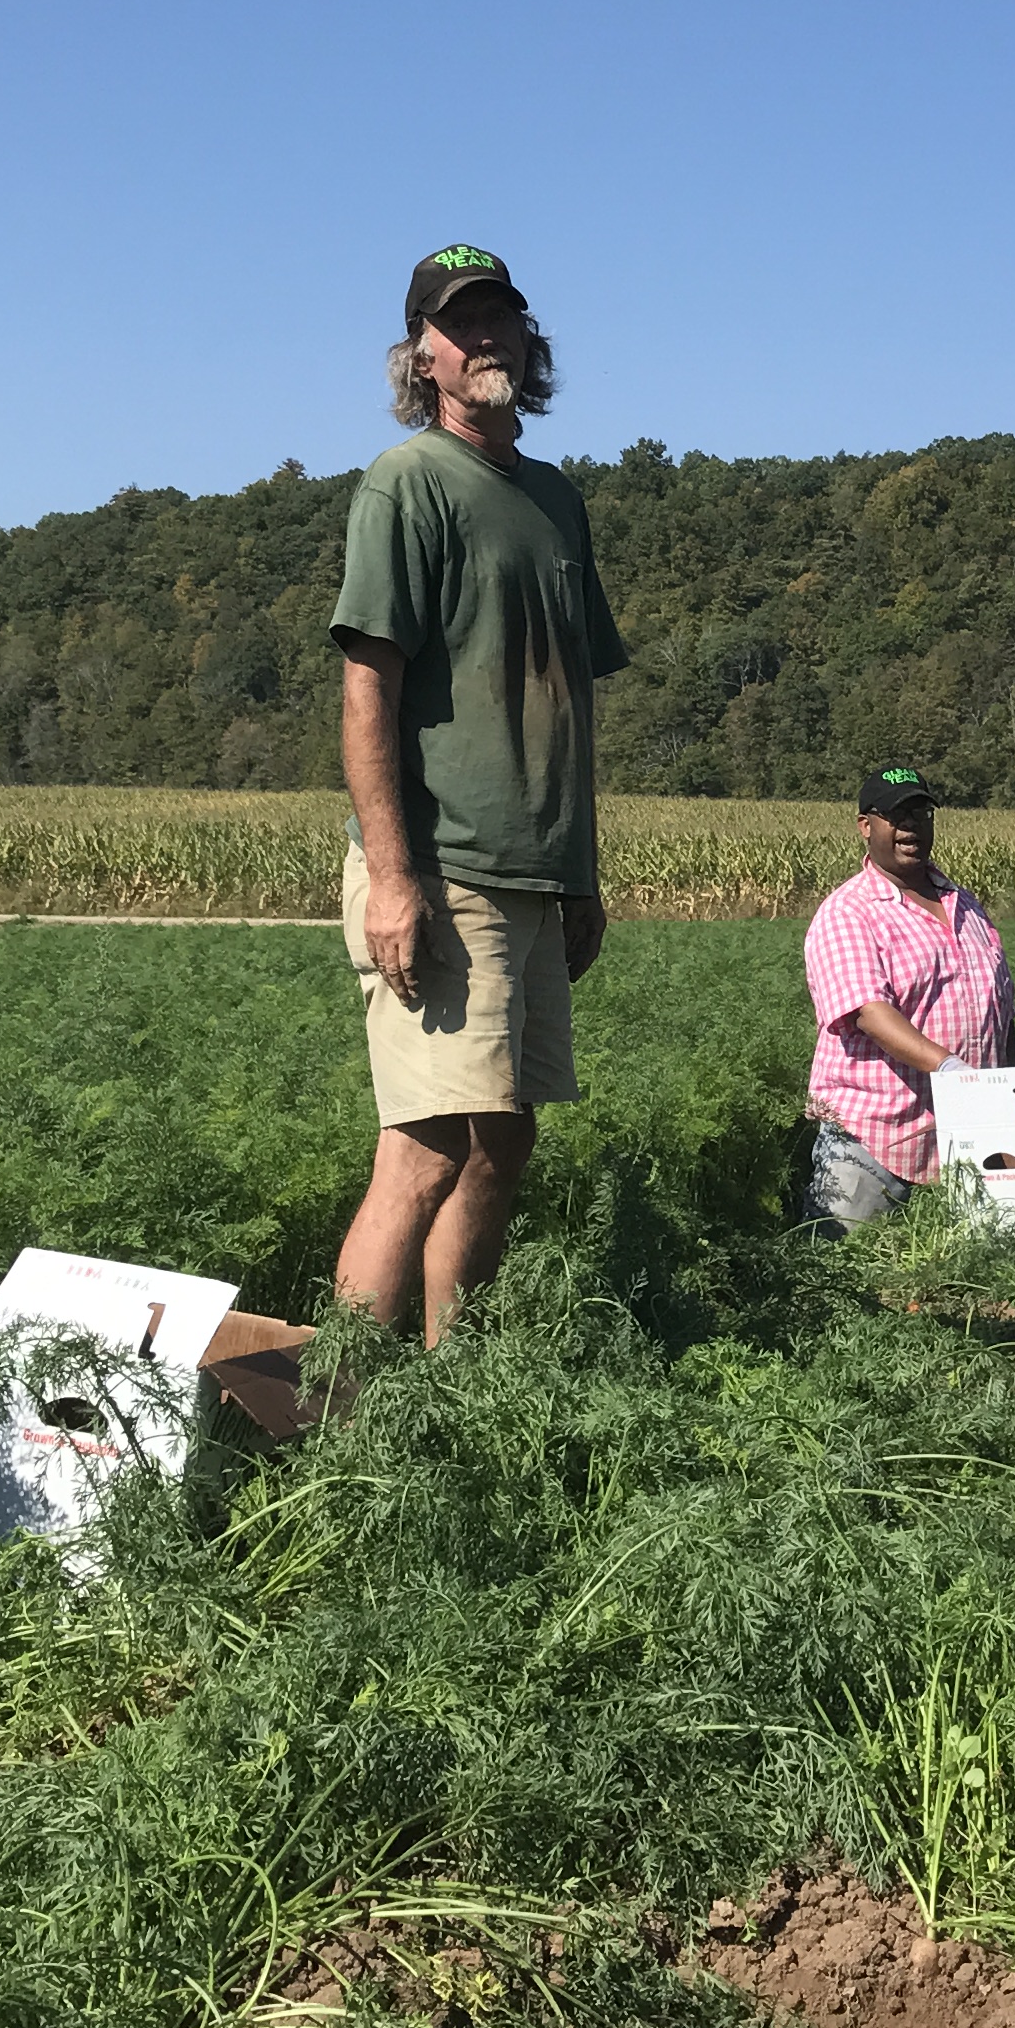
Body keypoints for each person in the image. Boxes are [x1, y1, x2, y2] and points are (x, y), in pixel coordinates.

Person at [327, 245, 626, 1345]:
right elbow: (369, 692)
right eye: (461, 324)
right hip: (445, 872)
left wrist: (580, 879)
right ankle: (349, 1420)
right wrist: (394, 878)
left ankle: (460, 1387)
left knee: (505, 1143)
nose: (486, 336)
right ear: (423, 355)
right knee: (425, 1147)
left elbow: (569, 709)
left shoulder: (553, 501)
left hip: (535, 877)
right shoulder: (408, 484)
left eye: (502, 316)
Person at [800, 766, 1015, 1227]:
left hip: (966, 1139)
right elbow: (868, 1013)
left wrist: (1014, 1093)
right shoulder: (849, 912)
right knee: (847, 1276)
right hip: (874, 1142)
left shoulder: (963, 903)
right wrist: (949, 1068)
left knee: (958, 1284)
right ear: (866, 826)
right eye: (896, 815)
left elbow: (998, 1008)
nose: (911, 826)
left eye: (921, 812)